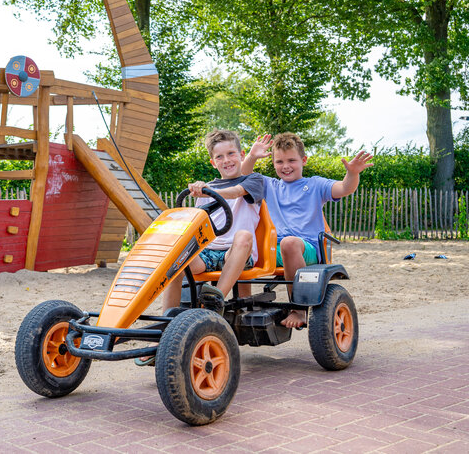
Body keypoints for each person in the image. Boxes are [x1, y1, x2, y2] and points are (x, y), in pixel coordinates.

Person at [139, 130, 264, 366]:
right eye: (220, 156)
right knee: (177, 253)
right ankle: (167, 328)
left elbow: (236, 192)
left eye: (231, 154)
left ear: (241, 154)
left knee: (244, 235)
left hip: (236, 253)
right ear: (213, 162)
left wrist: (210, 191)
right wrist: (204, 192)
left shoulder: (253, 181)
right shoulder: (205, 191)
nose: (226, 160)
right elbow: (200, 228)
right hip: (208, 253)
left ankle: (217, 300)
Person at [242, 132, 373, 329]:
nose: (285, 166)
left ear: (303, 160)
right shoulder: (270, 185)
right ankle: (242, 306)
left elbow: (344, 188)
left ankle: (299, 309)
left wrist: (352, 173)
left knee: (290, 243)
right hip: (272, 250)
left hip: (307, 248)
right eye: (279, 162)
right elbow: (243, 177)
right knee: (239, 245)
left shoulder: (315, 184)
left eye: (292, 160)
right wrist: (251, 157)